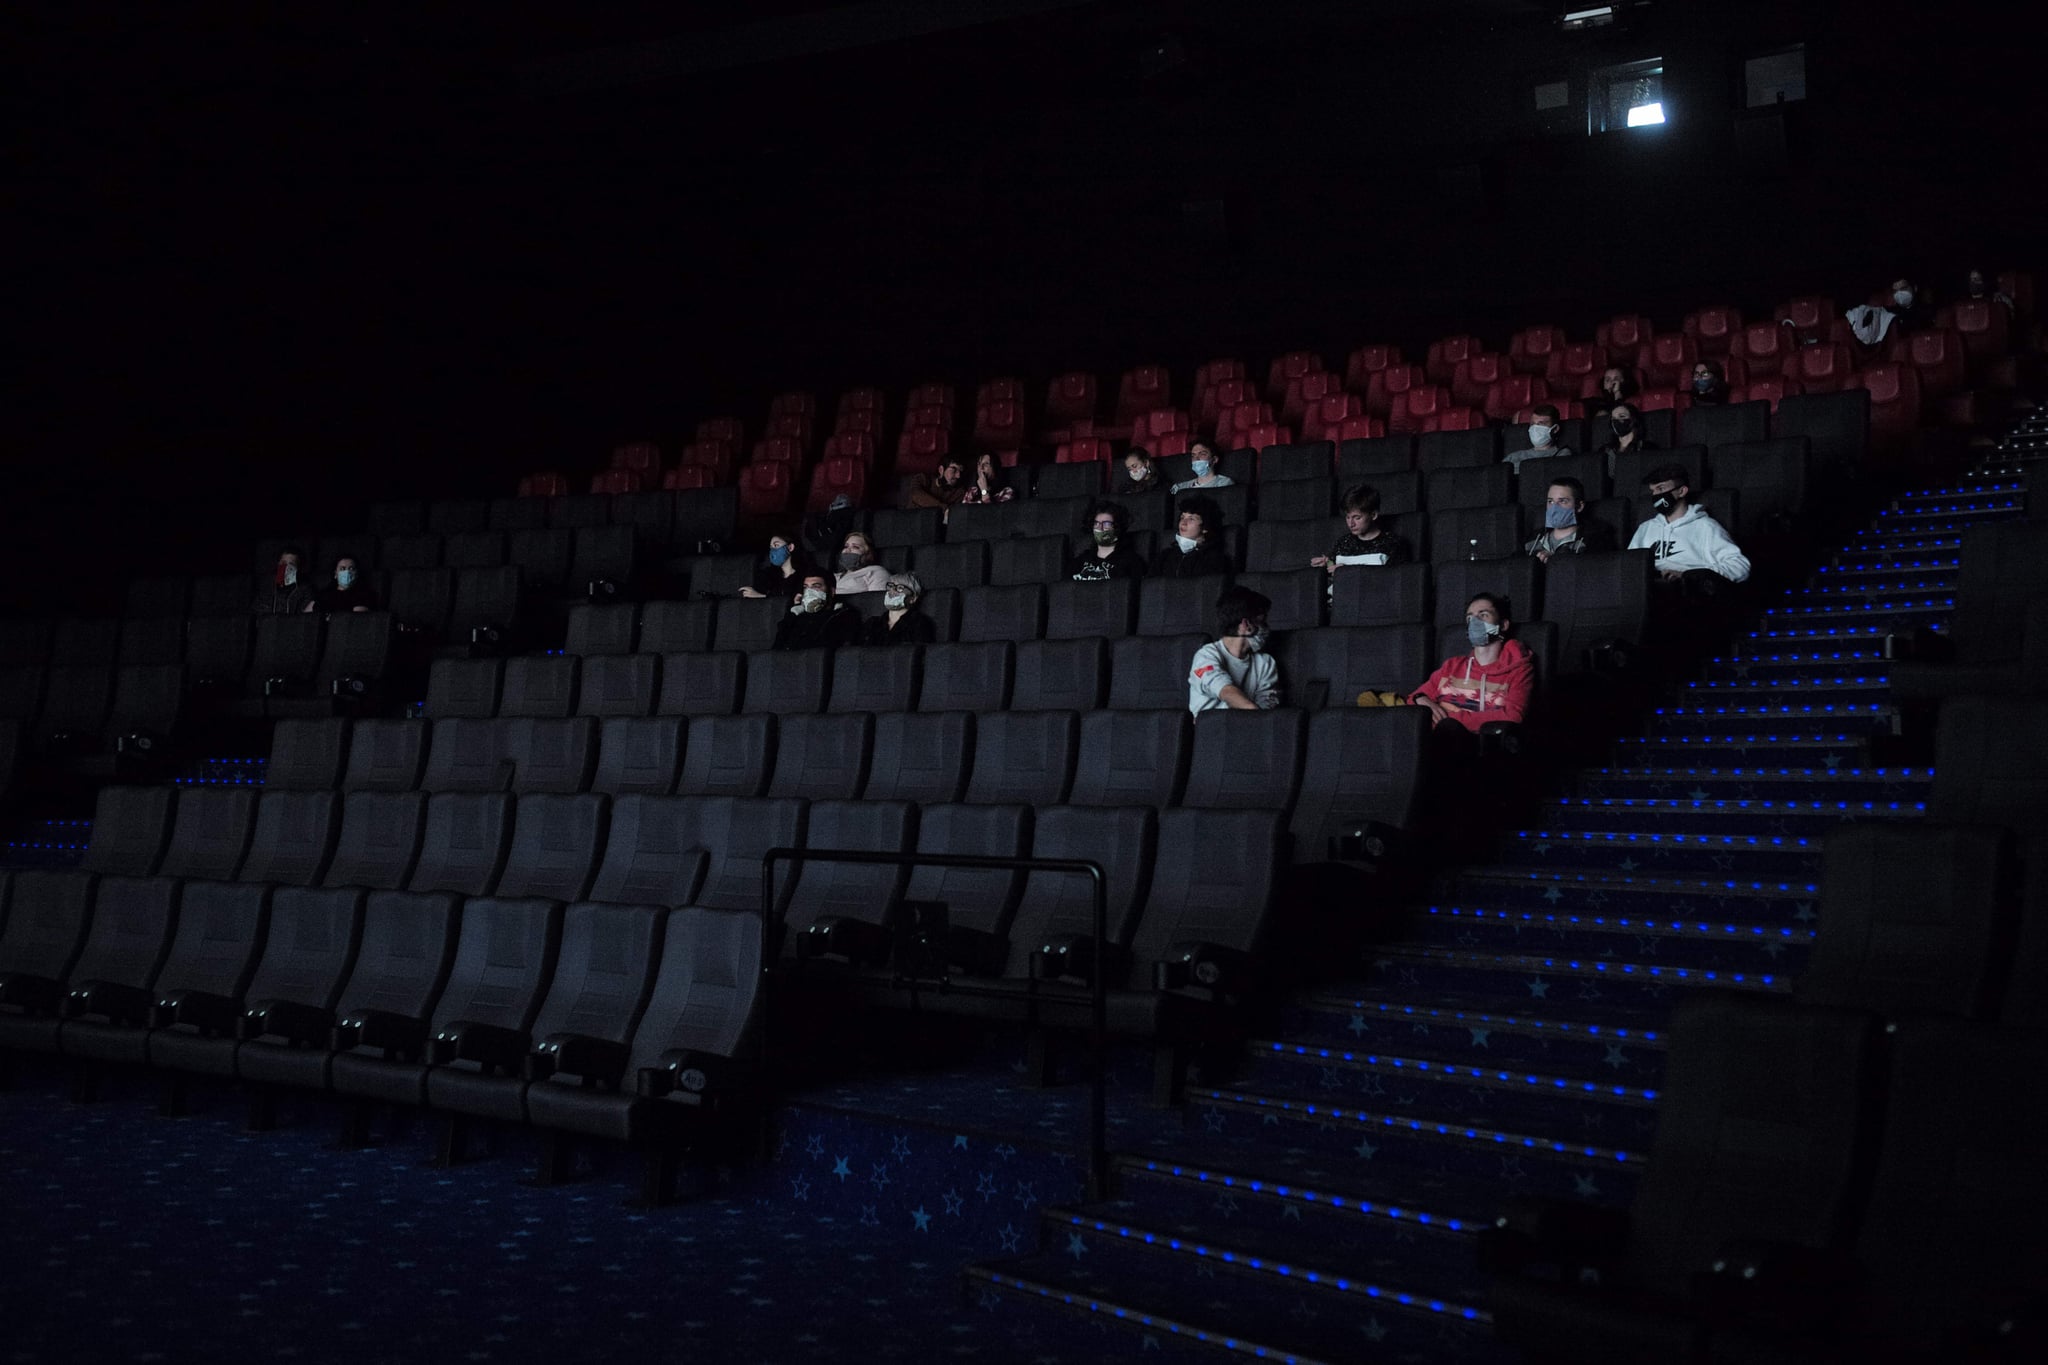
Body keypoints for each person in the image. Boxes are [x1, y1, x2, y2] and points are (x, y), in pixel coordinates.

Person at [1409, 593, 1534, 740]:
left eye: (1483, 615)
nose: (1475, 621)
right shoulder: (1452, 666)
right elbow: (1412, 699)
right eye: (1470, 617)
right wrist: (1420, 699)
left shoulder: (1520, 670)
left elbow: (1513, 716)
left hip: (1477, 746)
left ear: (1503, 625)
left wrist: (1446, 718)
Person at [1627, 462, 1750, 591]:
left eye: (1661, 489)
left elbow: (1740, 567)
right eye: (1653, 491)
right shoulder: (1645, 528)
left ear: (1681, 491)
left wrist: (1690, 575)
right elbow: (1629, 567)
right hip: (1648, 590)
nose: (1655, 496)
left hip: (1686, 592)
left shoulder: (1706, 527)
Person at [1188, 585, 1279, 716]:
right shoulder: (1206, 655)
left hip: (1250, 732)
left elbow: (1266, 710)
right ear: (1246, 625)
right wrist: (1257, 716)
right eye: (1262, 621)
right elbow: (1226, 691)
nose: (1266, 628)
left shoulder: (1266, 662)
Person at [1311, 483, 1413, 573]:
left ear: (1373, 515)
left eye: (1357, 518)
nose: (1351, 524)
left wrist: (1347, 571)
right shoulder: (1343, 543)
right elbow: (1332, 574)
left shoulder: (1393, 544)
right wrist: (1326, 564)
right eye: (1347, 517)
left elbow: (1394, 582)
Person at [1525, 477, 1615, 562]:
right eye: (1550, 501)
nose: (1554, 508)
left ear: (1579, 506)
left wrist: (1555, 560)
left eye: (1563, 501)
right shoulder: (1532, 540)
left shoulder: (1594, 541)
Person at [774, 571, 862, 650]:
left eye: (816, 587)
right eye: (806, 587)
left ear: (831, 591)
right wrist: (794, 612)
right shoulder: (797, 615)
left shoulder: (844, 615)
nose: (809, 592)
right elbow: (777, 647)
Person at [1150, 495, 1232, 578]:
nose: (1183, 522)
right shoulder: (1165, 555)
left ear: (1205, 527)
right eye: (1182, 517)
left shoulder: (1214, 559)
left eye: (1191, 519)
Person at [1068, 501, 1148, 581]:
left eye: (1106, 524)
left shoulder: (1132, 562)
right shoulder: (1081, 561)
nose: (1100, 529)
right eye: (1096, 524)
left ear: (1117, 528)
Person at [860, 571, 937, 645]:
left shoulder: (920, 623)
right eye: (890, 586)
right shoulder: (872, 623)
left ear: (913, 598)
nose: (892, 591)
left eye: (900, 588)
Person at [1504, 403, 1575, 470]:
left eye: (1541, 424)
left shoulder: (1562, 455)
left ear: (1555, 429)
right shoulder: (1513, 457)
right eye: (1533, 424)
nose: (1535, 428)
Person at [305, 555, 380, 613]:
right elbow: (306, 617)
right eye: (342, 569)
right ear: (335, 574)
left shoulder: (364, 595)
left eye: (351, 569)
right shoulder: (323, 594)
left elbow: (355, 621)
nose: (347, 572)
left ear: (357, 574)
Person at [738, 532, 802, 598]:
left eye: (776, 545)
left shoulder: (803, 576)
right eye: (771, 547)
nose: (773, 550)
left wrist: (761, 596)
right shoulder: (767, 576)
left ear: (790, 547)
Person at [1597, 401, 1653, 474]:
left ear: (1633, 420)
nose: (1617, 421)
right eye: (1613, 419)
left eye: (1622, 416)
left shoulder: (1647, 448)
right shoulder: (1605, 450)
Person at [255, 548, 312, 615]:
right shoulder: (267, 586)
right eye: (283, 563)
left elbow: (305, 617)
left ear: (297, 568)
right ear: (278, 564)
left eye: (291, 564)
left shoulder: (305, 590)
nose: (287, 567)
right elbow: (257, 611)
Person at [906, 455, 971, 511]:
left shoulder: (959, 492)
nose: (958, 476)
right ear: (941, 470)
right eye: (954, 470)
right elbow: (916, 495)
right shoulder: (923, 479)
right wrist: (944, 508)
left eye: (960, 471)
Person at [834, 531, 891, 595]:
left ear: (868, 554)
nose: (847, 550)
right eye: (846, 546)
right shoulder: (834, 576)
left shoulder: (876, 572)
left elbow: (875, 601)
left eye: (855, 547)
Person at [1169, 440, 1234, 493]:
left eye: (1202, 454)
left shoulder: (1224, 484)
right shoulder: (1180, 488)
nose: (1196, 459)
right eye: (1193, 456)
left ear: (1214, 460)